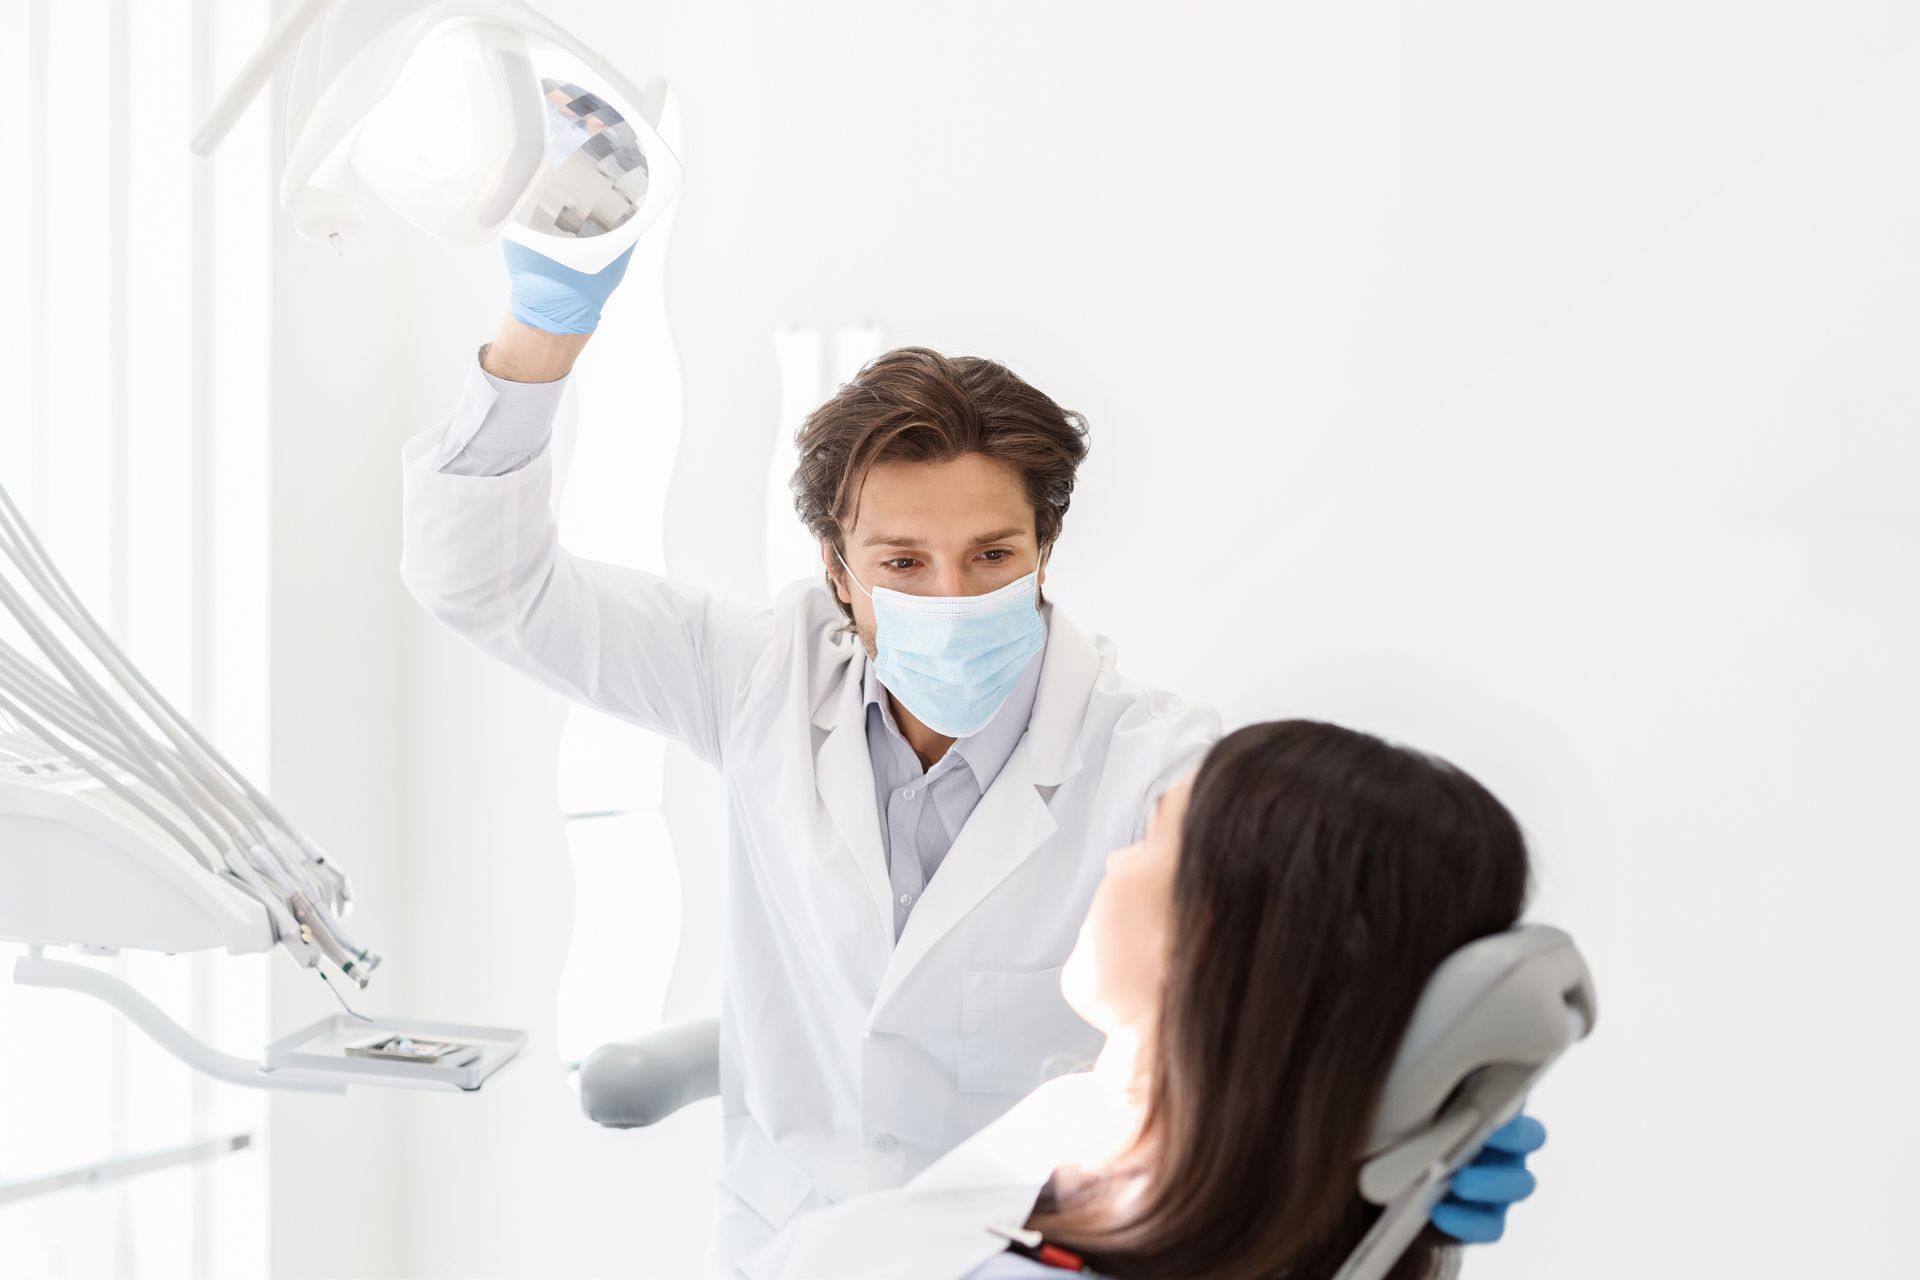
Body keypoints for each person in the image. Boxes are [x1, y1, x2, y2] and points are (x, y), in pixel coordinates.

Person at [398, 247, 1540, 1267]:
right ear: (839, 573)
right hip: (797, 1236)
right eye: (903, 561)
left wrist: (1403, 1125)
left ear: (1047, 551)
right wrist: (539, 329)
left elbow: (1320, 956)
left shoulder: (1161, 771)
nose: (952, 595)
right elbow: (488, 584)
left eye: (992, 553)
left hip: (1030, 1232)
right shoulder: (756, 677)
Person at [749, 719, 1548, 1280]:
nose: (1115, 860)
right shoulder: (1139, 1147)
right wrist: (1398, 1122)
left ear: (1216, 944)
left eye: (1152, 836)